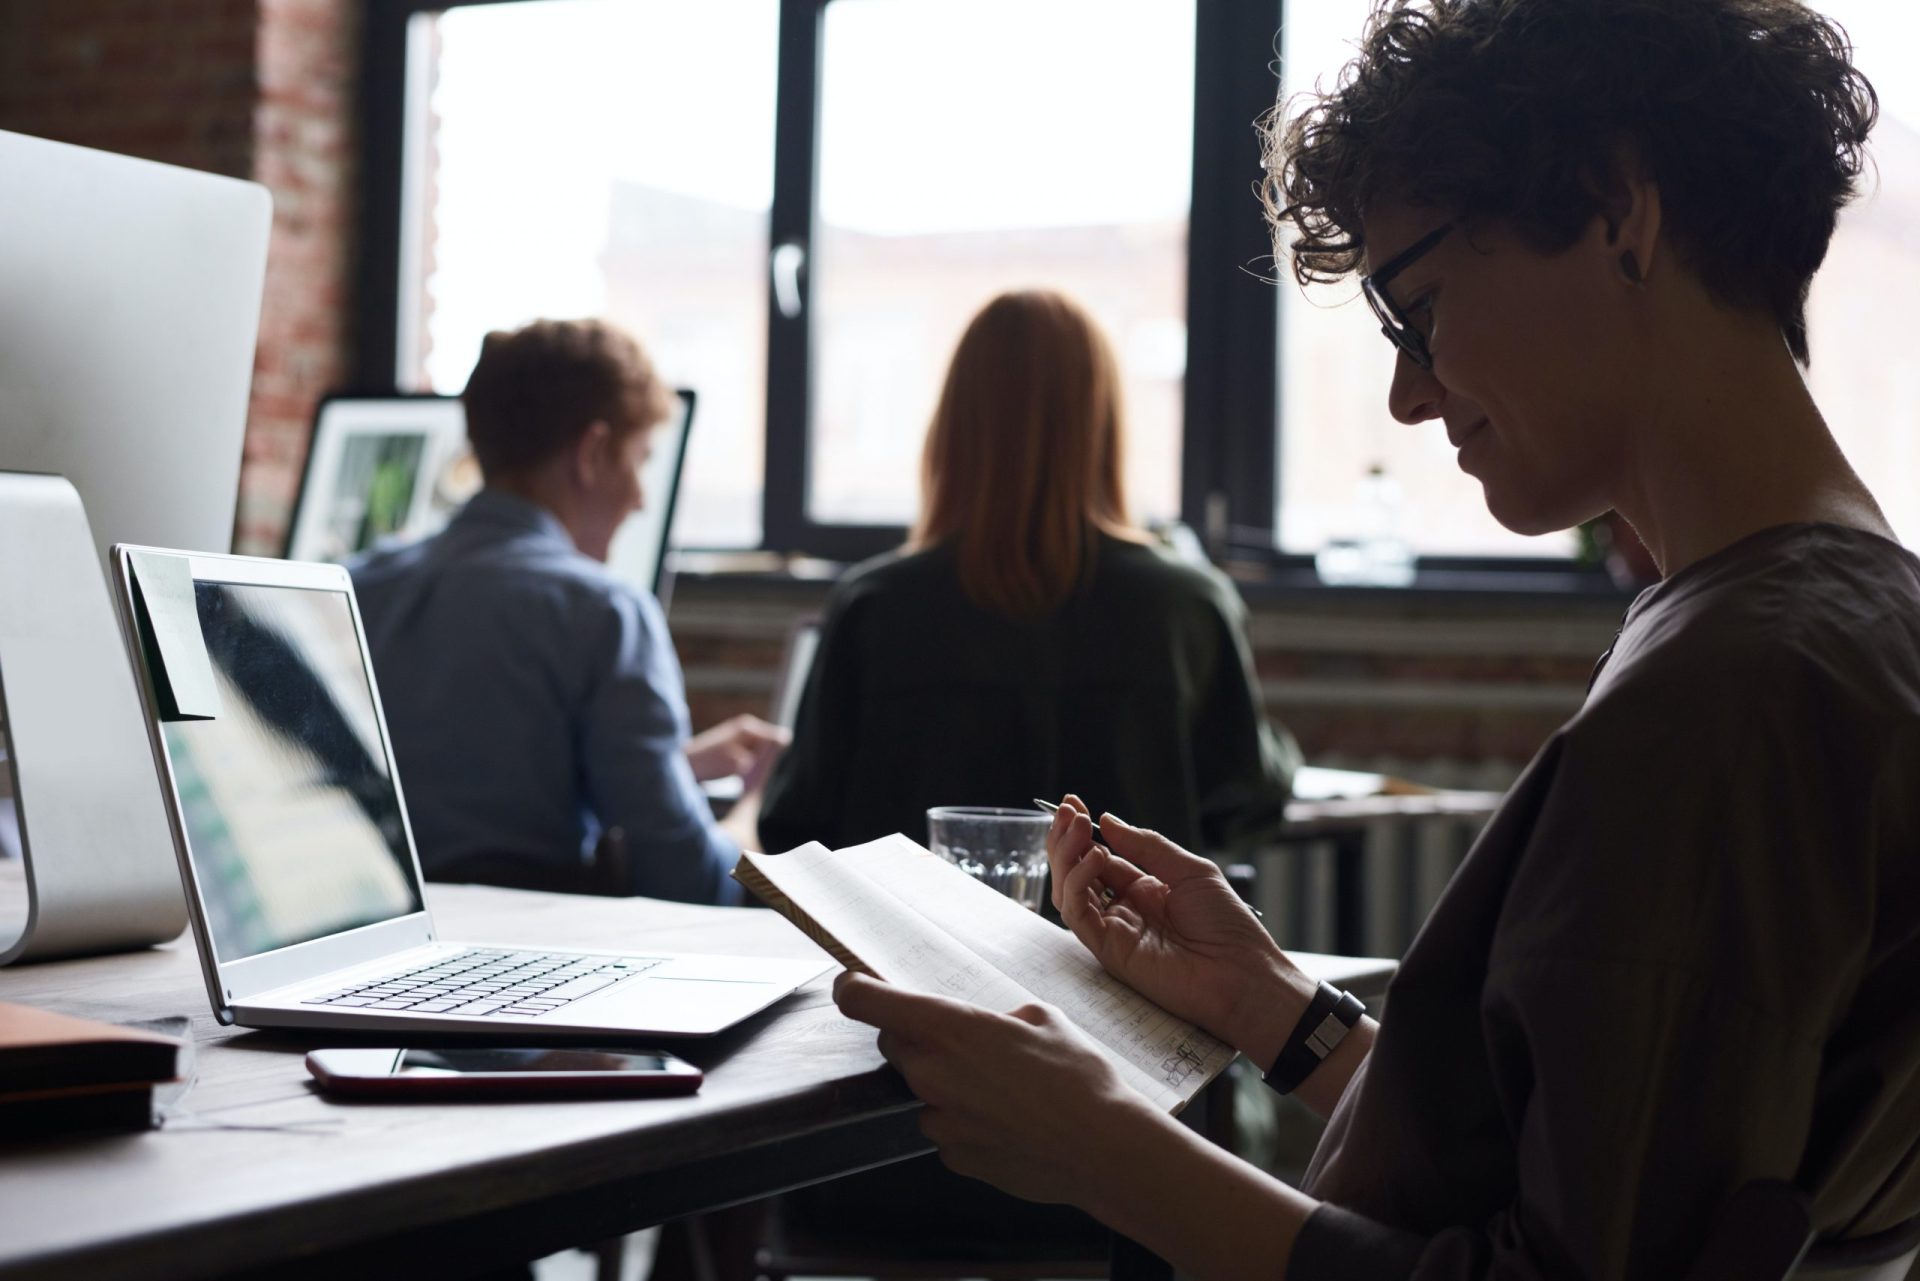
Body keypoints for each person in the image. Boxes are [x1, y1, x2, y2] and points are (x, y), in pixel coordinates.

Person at [831, 1, 1920, 1276]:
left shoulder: (1737, 694)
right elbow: (1600, 1175)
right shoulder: (1843, 621)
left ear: (1621, 213)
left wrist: (1107, 1152)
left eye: (1420, 309)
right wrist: (1269, 1006)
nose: (1408, 394)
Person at [758, 289, 1300, 855]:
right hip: (1120, 942)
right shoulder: (1189, 603)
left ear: (954, 425)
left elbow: (796, 823)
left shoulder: (874, 603)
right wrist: (1279, 752)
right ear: (1104, 426)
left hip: (911, 942)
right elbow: (1246, 800)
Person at [352, 318, 782, 905]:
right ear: (593, 452)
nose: (640, 497)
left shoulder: (358, 585)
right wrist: (749, 817)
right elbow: (687, 881)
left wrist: (672, 768)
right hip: (530, 954)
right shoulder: (604, 612)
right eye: (639, 459)